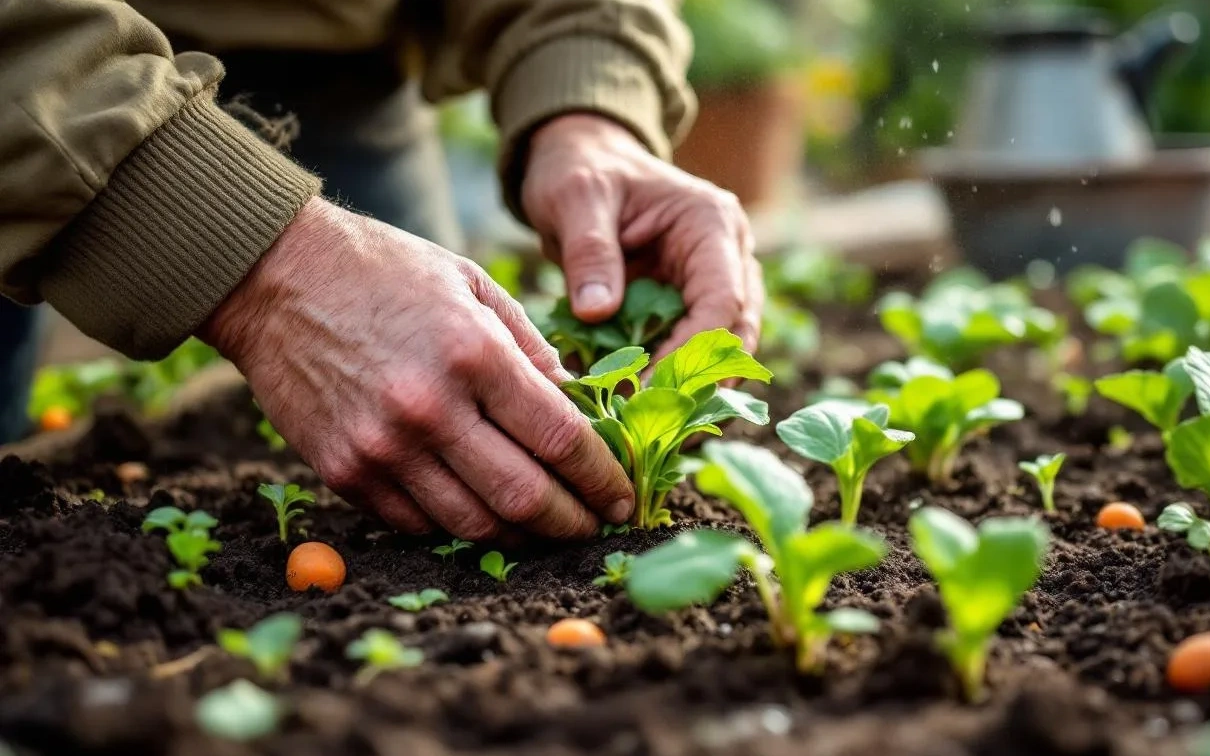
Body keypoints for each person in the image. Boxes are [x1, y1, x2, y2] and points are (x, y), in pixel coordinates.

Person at [0, 1, 763, 542]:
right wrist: (268, 275)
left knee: (452, 425)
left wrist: (587, 96)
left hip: (338, 59)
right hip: (46, 83)